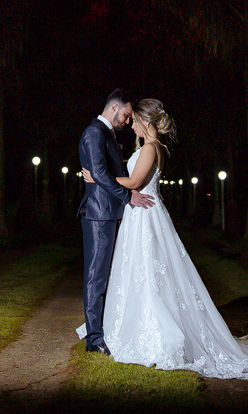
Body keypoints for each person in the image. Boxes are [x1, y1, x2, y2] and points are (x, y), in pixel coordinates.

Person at [81, 99, 248, 379]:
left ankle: (155, 332)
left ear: (146, 121)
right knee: (144, 273)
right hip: (141, 214)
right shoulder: (153, 148)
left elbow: (133, 183)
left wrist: (99, 178)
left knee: (149, 272)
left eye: (135, 120)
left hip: (145, 216)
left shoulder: (149, 148)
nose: (130, 124)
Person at [76, 89, 154, 355]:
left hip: (109, 213)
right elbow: (97, 172)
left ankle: (101, 330)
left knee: (106, 275)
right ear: (113, 108)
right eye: (125, 115)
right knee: (95, 277)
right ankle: (94, 340)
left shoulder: (106, 133)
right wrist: (127, 196)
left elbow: (104, 173)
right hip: (98, 214)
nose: (126, 121)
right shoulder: (95, 132)